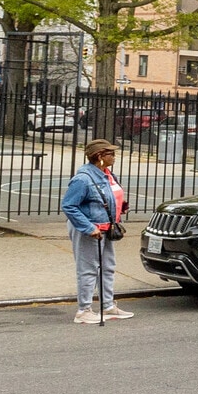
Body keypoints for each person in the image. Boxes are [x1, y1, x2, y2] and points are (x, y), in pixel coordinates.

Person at [60, 139, 132, 324]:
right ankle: (83, 310)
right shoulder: (83, 179)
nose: (114, 156)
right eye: (111, 153)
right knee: (88, 269)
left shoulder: (108, 174)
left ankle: (107, 306)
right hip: (90, 230)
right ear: (99, 156)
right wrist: (88, 227)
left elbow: (106, 197)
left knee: (108, 267)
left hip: (107, 228)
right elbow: (69, 206)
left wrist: (119, 207)